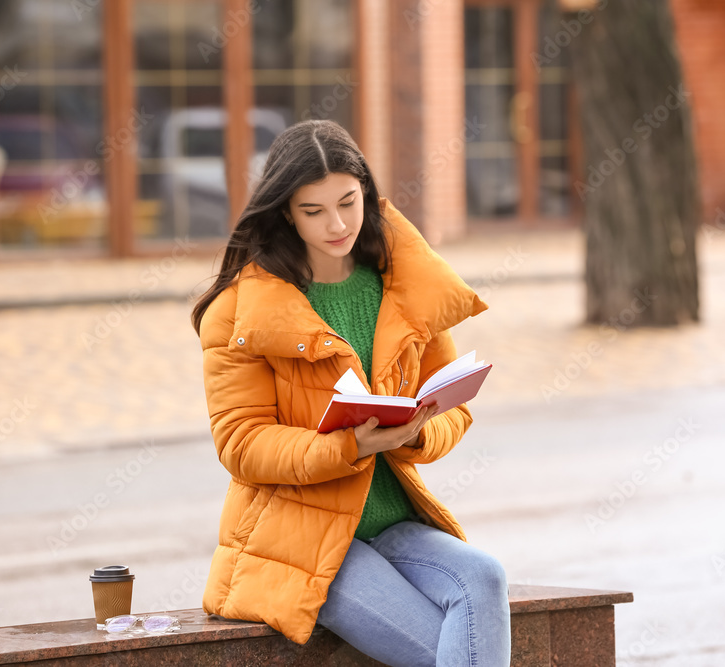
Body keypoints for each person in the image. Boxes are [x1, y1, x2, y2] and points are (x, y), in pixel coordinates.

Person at [191, 119, 511, 666]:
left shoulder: (405, 285)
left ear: (366, 189)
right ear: (286, 213)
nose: (337, 224)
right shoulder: (240, 311)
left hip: (393, 523)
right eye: (314, 211)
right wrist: (349, 447)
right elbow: (240, 445)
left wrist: (415, 433)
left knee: (483, 576)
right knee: (447, 651)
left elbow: (454, 410)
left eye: (348, 201)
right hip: (301, 541)